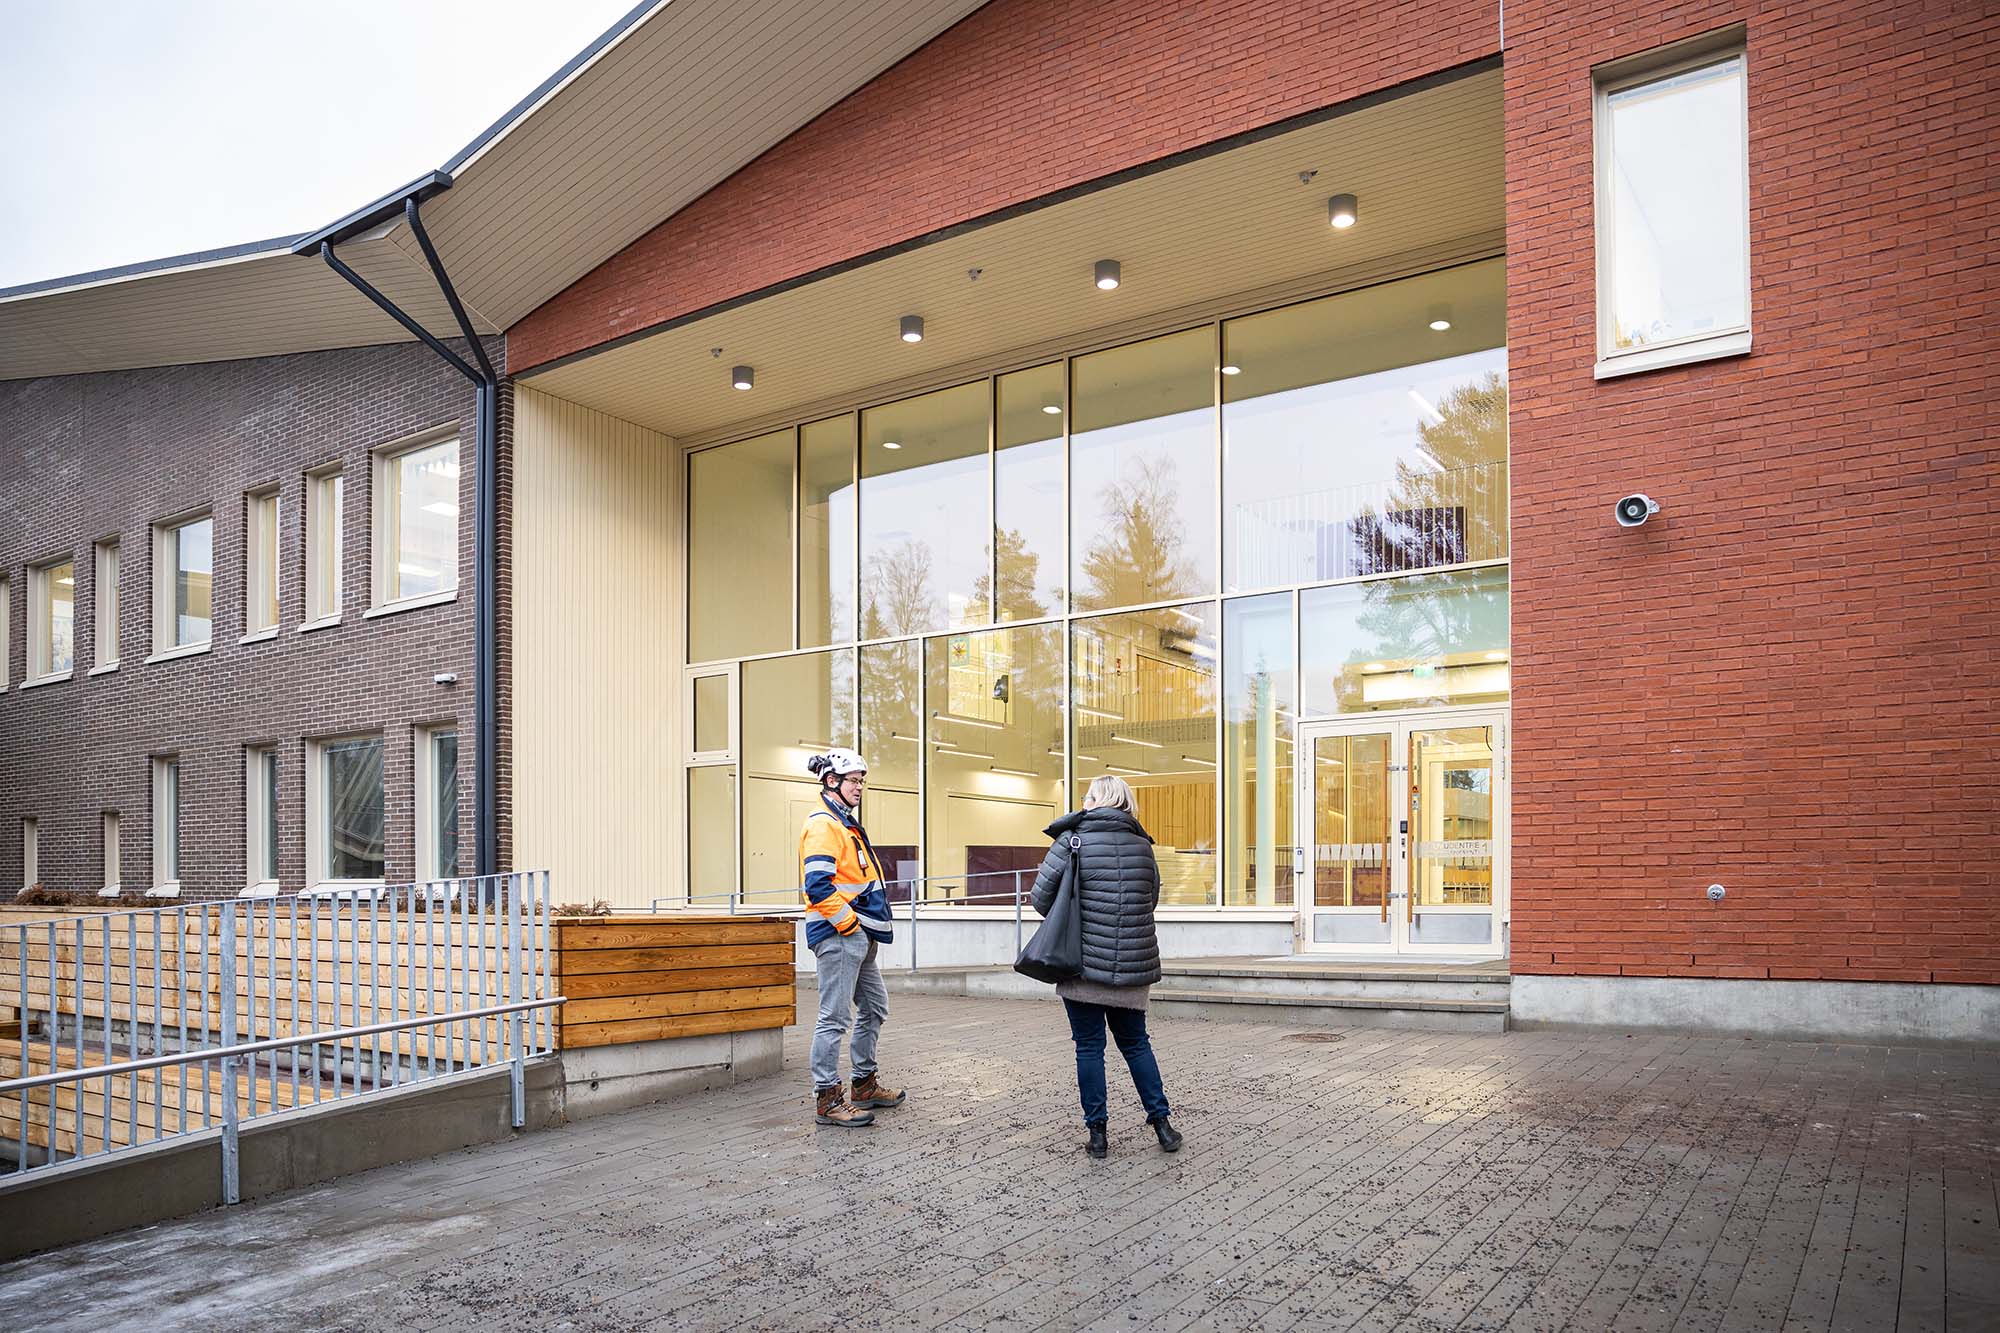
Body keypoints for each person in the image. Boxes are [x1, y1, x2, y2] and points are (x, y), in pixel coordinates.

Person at [1029, 775, 1181, 1158]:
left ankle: (1098, 1135)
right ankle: (1162, 1125)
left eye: (1088, 796)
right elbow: (1150, 900)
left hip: (1080, 964)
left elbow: (1040, 899)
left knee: (1089, 1048)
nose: (1084, 801)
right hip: (1133, 964)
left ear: (1098, 801)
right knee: (1136, 1044)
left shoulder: (1071, 840)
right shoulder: (1143, 846)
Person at [799, 748, 904, 1128]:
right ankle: (827, 1099)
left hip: (858, 935)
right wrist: (849, 926)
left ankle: (863, 1085)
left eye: (862, 781)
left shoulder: (843, 823)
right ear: (832, 781)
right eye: (853, 781)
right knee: (834, 1017)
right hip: (840, 935)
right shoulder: (824, 824)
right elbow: (817, 885)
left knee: (874, 1006)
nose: (859, 787)